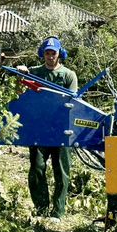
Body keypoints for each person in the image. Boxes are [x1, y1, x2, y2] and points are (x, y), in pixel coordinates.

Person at [17, 36, 78, 221]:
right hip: (39, 130)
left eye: (53, 53)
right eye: (47, 53)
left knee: (62, 171)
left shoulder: (69, 75)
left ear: (59, 54)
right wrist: (21, 75)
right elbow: (22, 95)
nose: (50, 56)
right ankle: (42, 209)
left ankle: (58, 212)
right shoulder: (34, 73)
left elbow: (73, 103)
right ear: (43, 54)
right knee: (37, 169)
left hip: (61, 131)